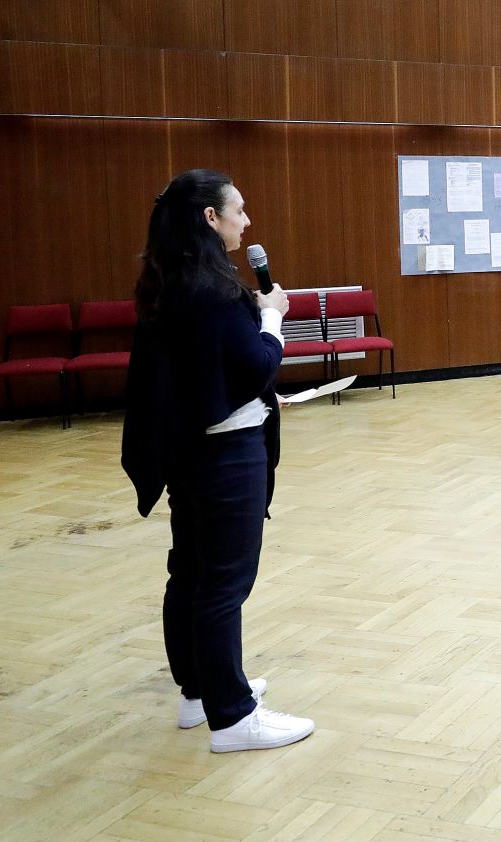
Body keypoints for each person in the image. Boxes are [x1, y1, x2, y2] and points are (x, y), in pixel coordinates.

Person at [122, 169, 315, 752]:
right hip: (224, 453)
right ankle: (232, 716)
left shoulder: (171, 279)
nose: (246, 222)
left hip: (189, 448)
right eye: (239, 210)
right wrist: (273, 317)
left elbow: (205, 369)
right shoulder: (213, 288)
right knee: (224, 582)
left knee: (193, 571)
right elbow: (256, 365)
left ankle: (198, 693)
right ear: (211, 217)